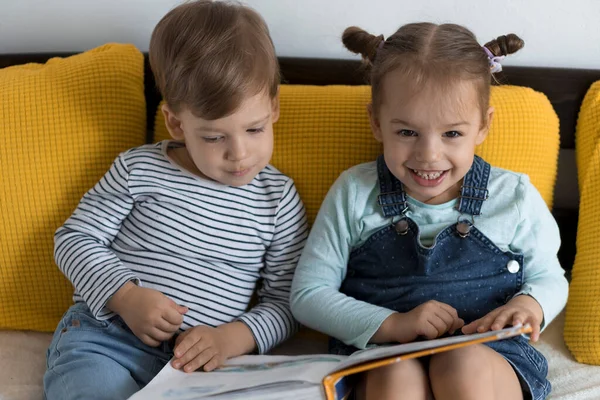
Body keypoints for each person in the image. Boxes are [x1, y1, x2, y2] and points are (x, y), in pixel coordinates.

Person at [43, 1, 308, 399]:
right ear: (176, 123)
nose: (239, 153)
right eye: (214, 137)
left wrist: (232, 338)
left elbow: (287, 303)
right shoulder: (140, 169)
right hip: (107, 337)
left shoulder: (278, 200)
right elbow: (73, 240)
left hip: (200, 364)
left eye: (254, 129)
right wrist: (126, 296)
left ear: (274, 108)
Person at [290, 22, 568, 400]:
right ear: (376, 122)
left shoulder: (513, 196)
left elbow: (551, 276)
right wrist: (391, 324)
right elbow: (308, 294)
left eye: (452, 134)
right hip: (382, 352)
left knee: (462, 364)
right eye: (407, 132)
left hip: (489, 351)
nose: (429, 155)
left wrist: (529, 303)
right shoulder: (355, 192)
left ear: (484, 125)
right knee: (395, 377)